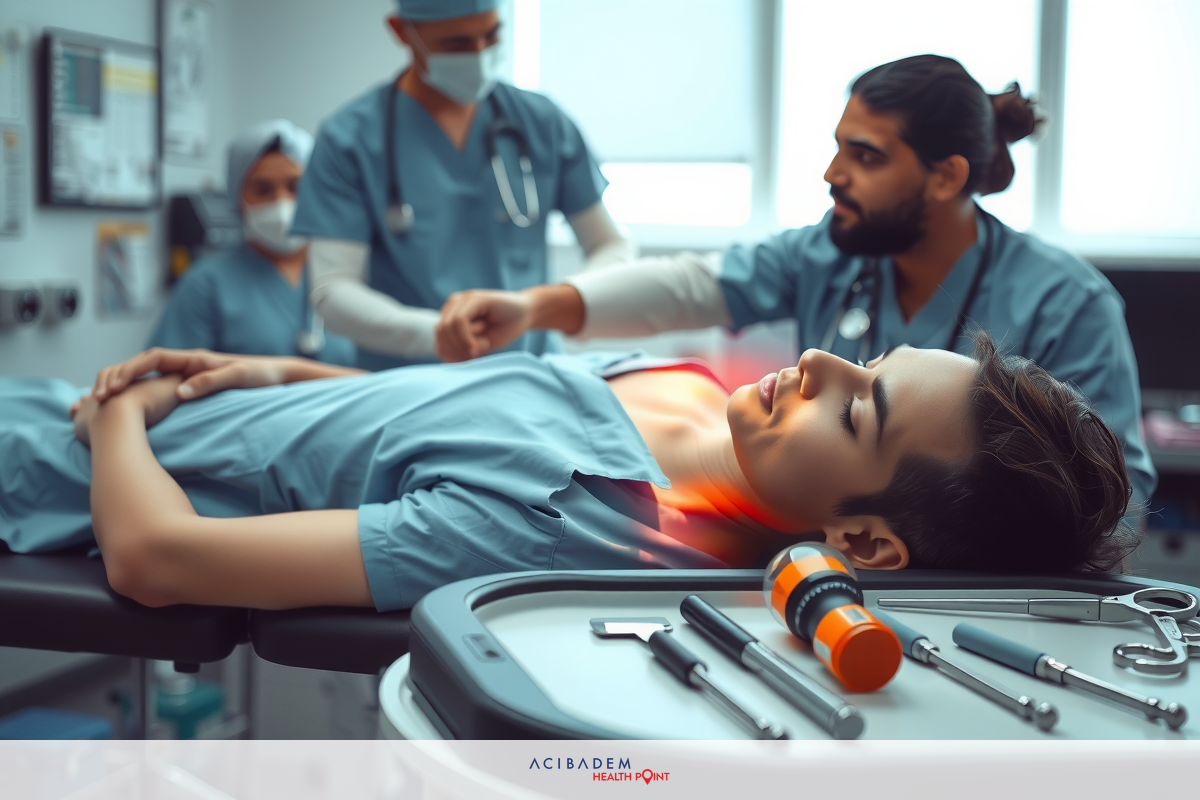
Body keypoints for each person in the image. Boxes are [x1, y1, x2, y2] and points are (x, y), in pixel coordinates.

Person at [434, 54, 1156, 512]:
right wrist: (535, 306)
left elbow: (1107, 499)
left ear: (947, 176)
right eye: (837, 148)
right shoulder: (838, 250)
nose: (832, 175)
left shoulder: (1067, 303)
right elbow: (694, 285)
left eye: (865, 157)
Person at [0, 332, 1133, 612]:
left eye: (862, 403)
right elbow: (443, 407)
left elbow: (156, 558)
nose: (824, 361)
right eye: (865, 355)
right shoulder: (689, 382)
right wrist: (280, 369)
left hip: (45, 474)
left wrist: (123, 414)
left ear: (868, 543)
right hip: (91, 411)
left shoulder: (572, 523)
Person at [291, 0, 634, 371]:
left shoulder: (540, 123)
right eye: (456, 44)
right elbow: (333, 290)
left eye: (492, 35)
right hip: (411, 379)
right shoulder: (350, 139)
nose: (479, 55)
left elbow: (610, 244)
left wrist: (551, 306)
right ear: (401, 32)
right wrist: (439, 334)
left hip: (533, 369)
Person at [147, 120, 356, 366]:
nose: (281, 203)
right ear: (237, 198)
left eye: (295, 187)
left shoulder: (354, 274)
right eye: (262, 189)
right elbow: (163, 381)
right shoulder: (206, 286)